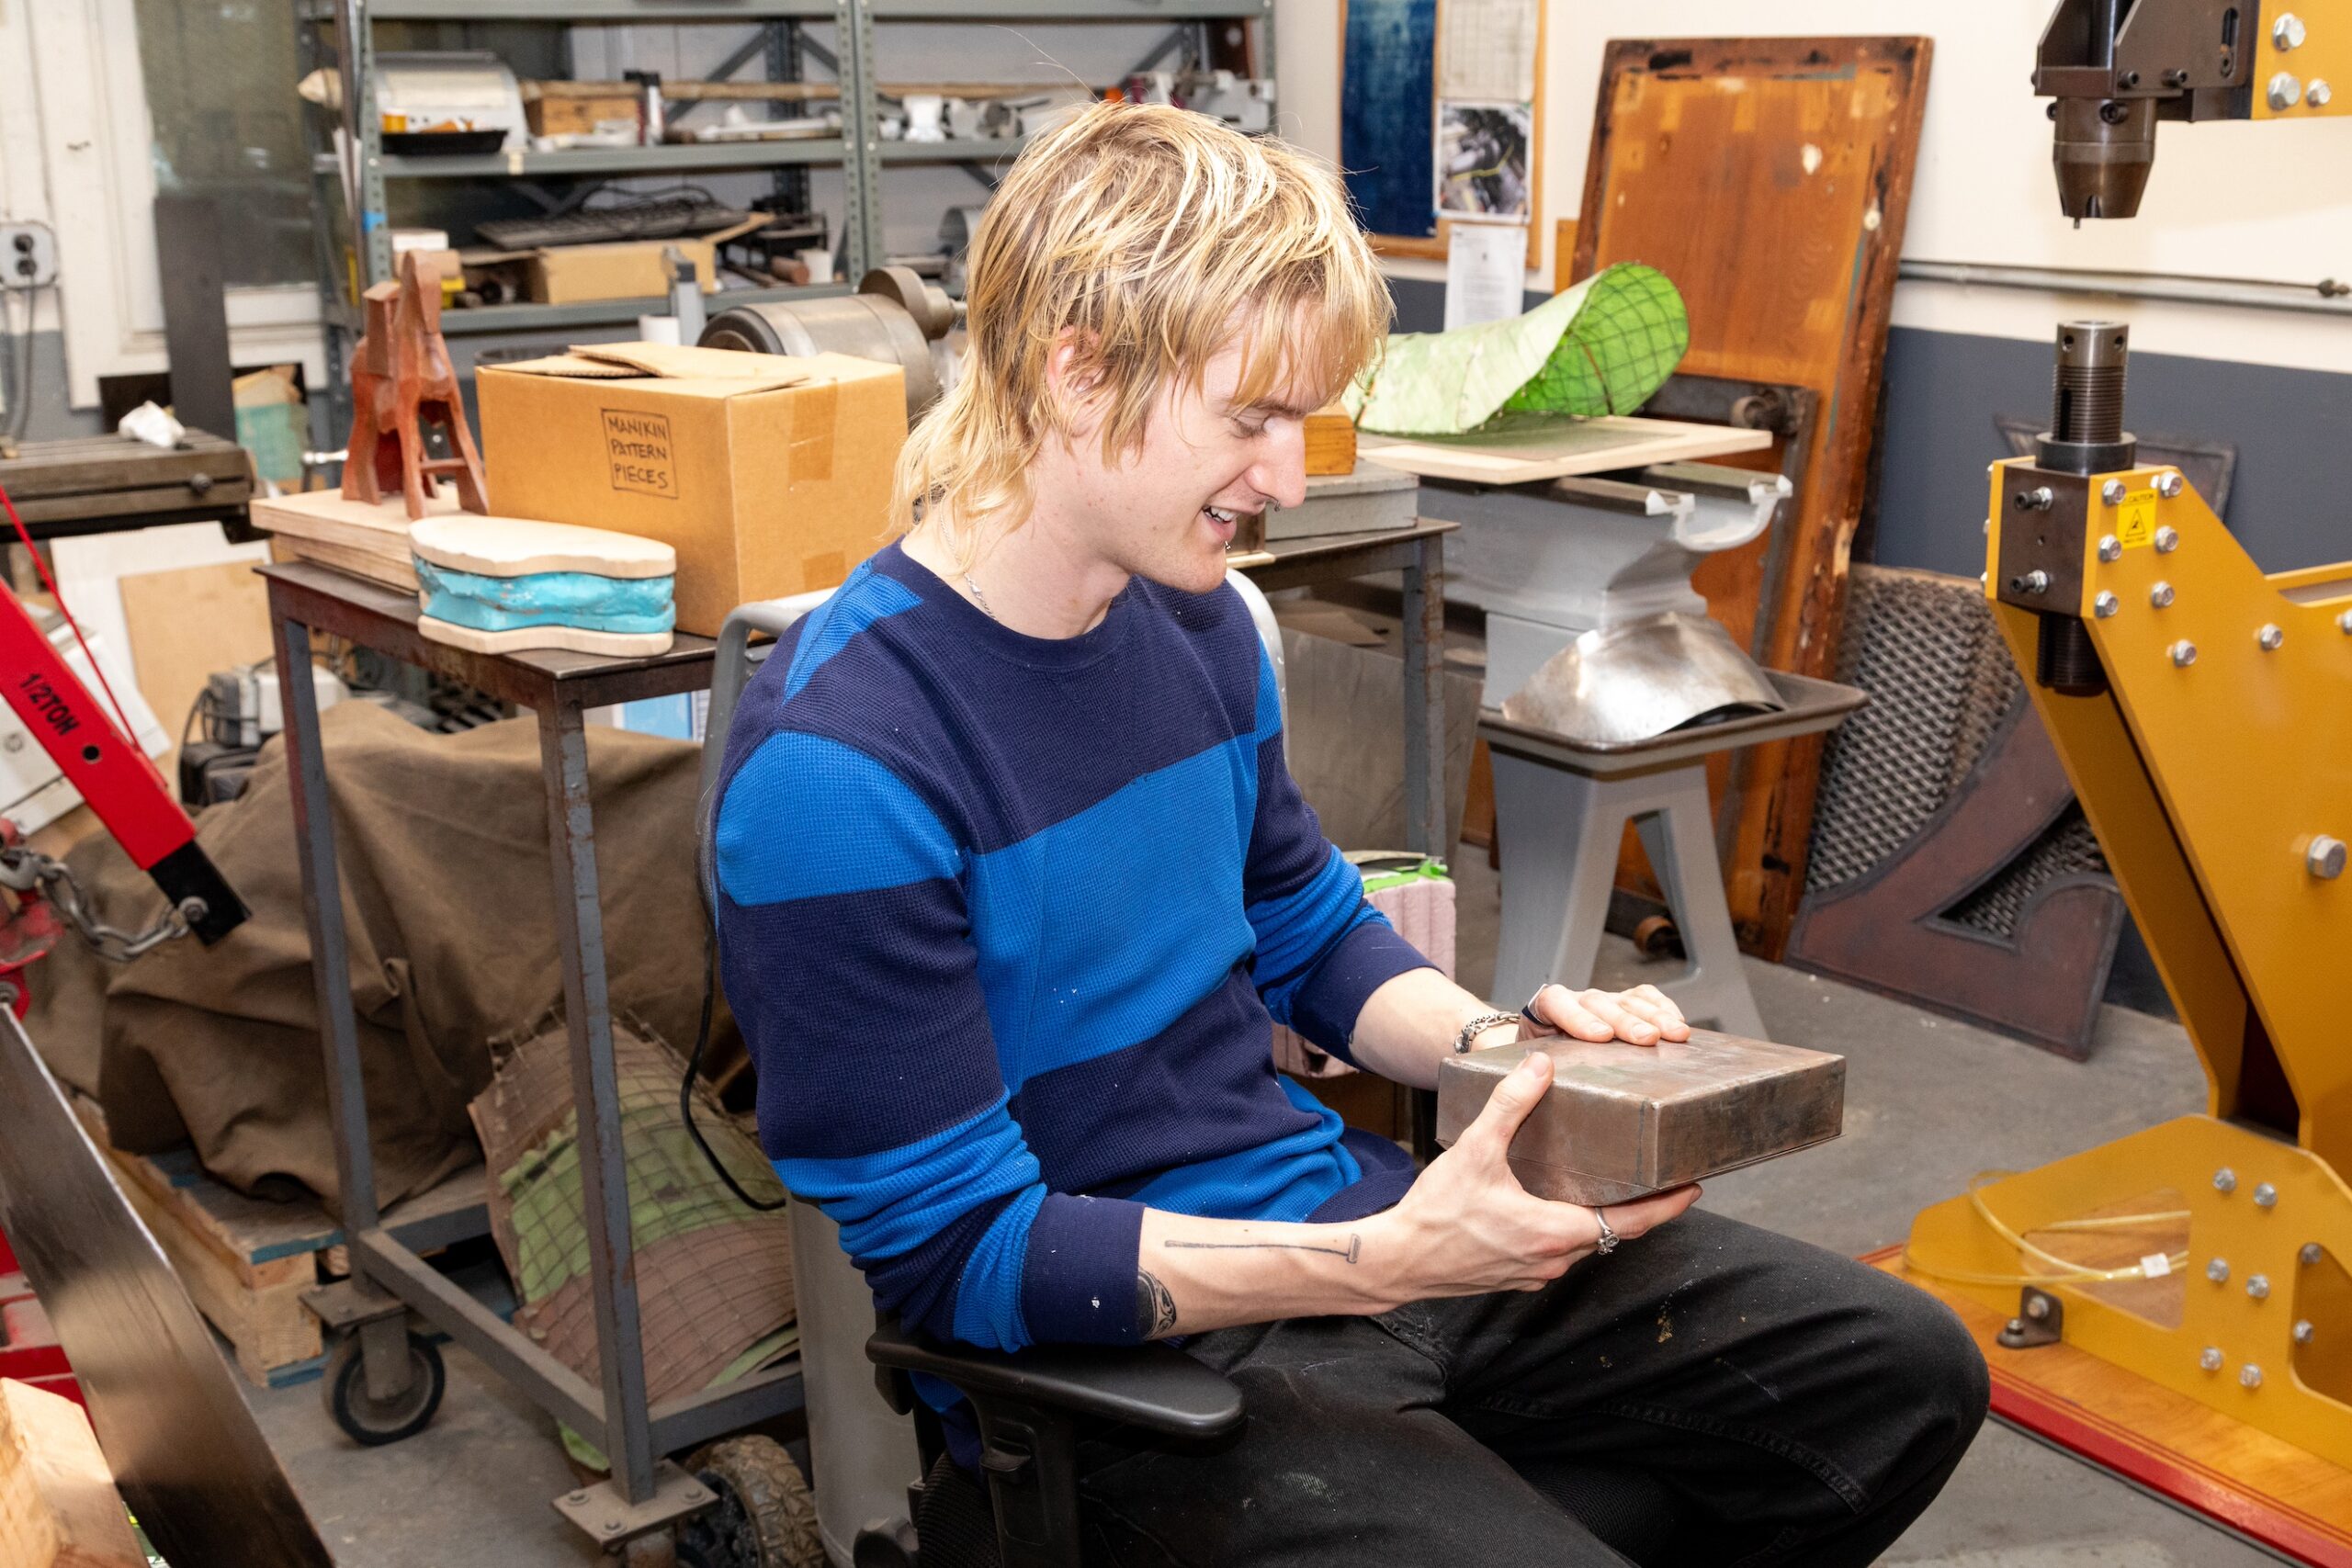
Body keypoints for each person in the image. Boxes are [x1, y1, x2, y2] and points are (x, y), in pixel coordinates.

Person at [711, 101, 1986, 1567]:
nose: (1289, 481)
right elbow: (959, 1258)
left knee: (1897, 1375)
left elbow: (1305, 929)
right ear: (1076, 373)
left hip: (1341, 1225)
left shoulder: (1194, 626)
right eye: (1249, 419)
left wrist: (1510, 1057)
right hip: (1136, 1356)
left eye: (1300, 422)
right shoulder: (839, 773)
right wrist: (1377, 1263)